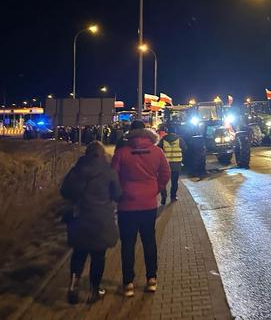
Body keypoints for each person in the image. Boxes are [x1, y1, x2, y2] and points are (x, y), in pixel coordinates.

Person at [111, 122, 170, 297]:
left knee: (128, 245)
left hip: (126, 206)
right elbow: (165, 174)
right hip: (148, 205)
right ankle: (151, 279)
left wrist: (120, 194)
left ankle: (128, 283)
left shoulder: (121, 153)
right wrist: (155, 189)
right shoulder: (157, 152)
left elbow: (112, 177)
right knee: (149, 242)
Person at [60, 141, 121, 304]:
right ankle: (94, 291)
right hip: (100, 220)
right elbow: (117, 194)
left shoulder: (77, 169)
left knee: (79, 253)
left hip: (80, 219)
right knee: (98, 256)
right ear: (102, 154)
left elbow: (64, 190)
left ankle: (73, 285)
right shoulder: (109, 172)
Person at [157, 123, 186, 204]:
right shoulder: (179, 140)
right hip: (176, 164)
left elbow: (159, 150)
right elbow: (185, 149)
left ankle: (164, 197)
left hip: (165, 165)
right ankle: (173, 196)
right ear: (175, 131)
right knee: (174, 182)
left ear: (167, 131)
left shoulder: (163, 140)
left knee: (163, 182)